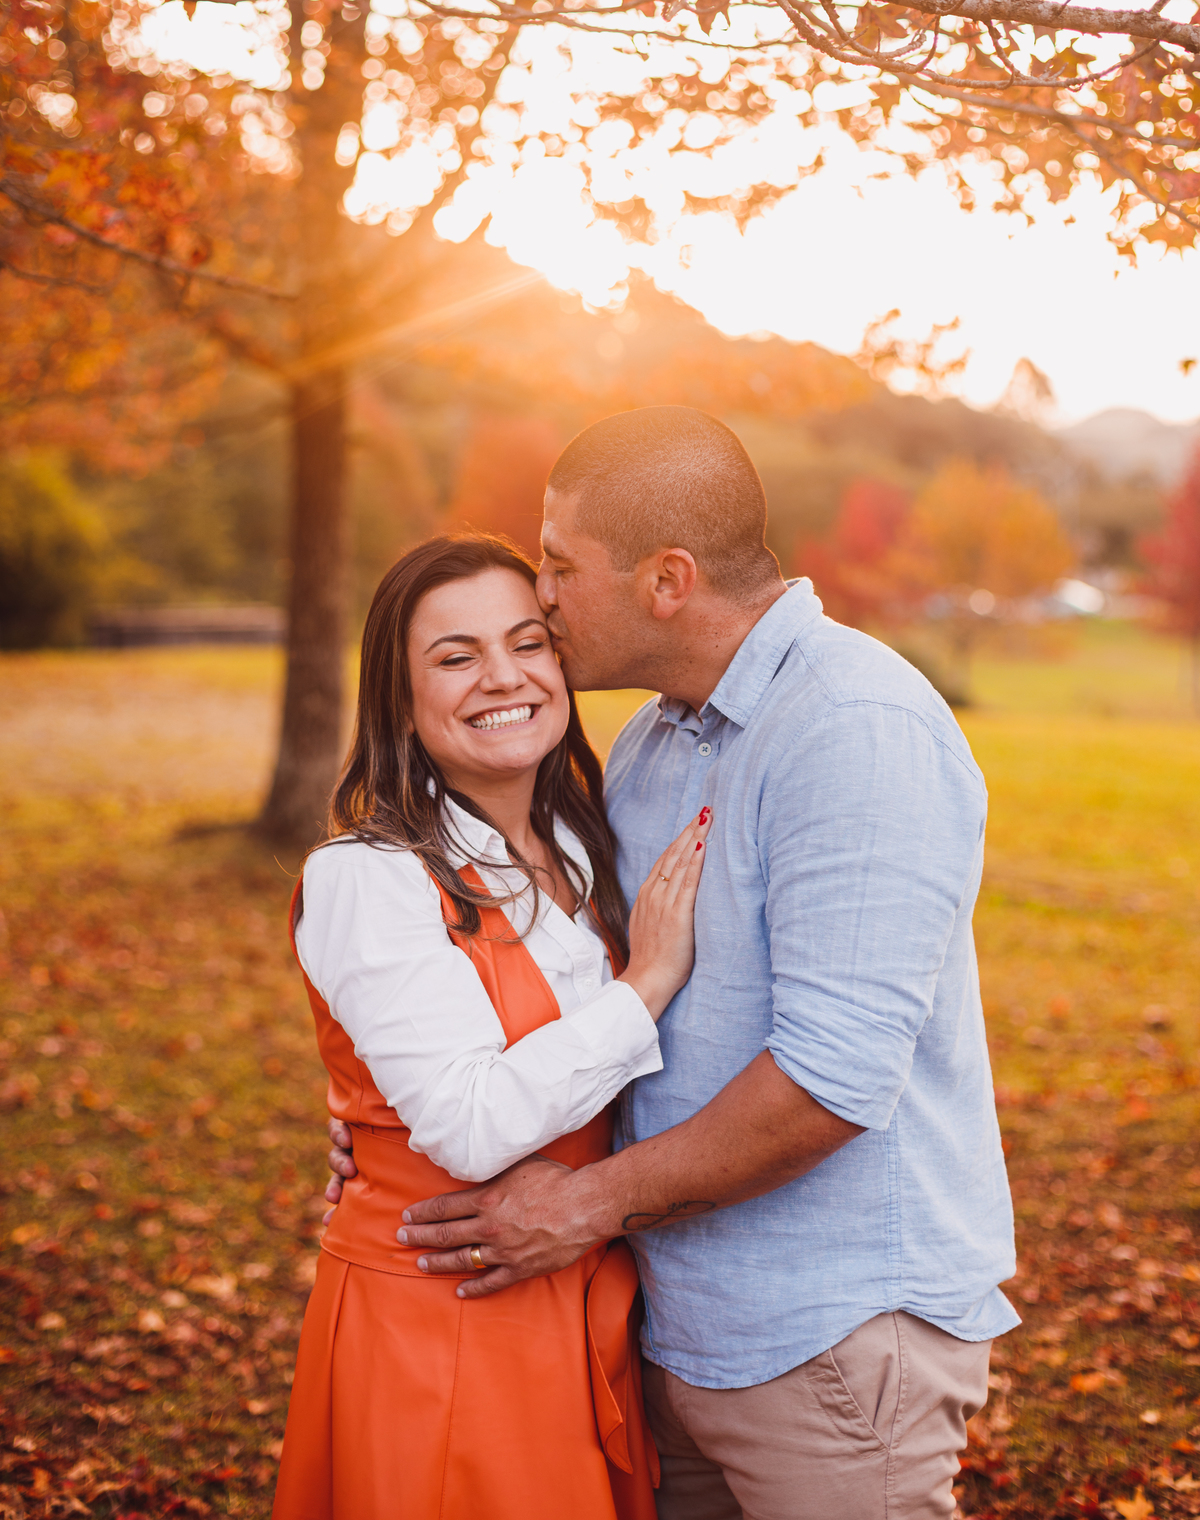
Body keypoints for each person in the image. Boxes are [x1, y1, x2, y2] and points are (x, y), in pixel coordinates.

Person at [328, 406, 1019, 1520]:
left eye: (559, 566)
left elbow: (830, 1083)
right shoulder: (656, 737)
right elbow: (568, 978)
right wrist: (392, 1130)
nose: (539, 597)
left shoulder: (856, 728)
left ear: (668, 580)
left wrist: (586, 1203)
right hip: (665, 1325)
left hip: (828, 1338)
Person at [272, 533, 709, 1520]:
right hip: (443, 1312)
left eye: (528, 643)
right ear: (399, 692)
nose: (503, 678)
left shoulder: (586, 840)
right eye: (456, 656)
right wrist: (643, 986)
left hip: (585, 1293)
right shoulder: (368, 877)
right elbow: (466, 1127)